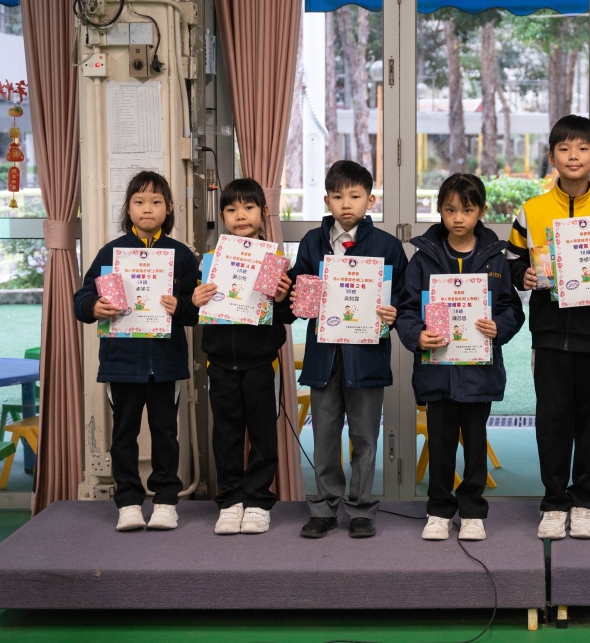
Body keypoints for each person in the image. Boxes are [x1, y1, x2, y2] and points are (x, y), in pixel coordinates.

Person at [505, 114, 590, 541]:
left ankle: (584, 503)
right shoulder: (532, 210)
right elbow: (512, 262)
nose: (573, 156)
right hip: (549, 333)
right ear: (552, 157)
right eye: (564, 148)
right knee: (552, 419)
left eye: (582, 148)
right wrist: (523, 275)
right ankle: (554, 501)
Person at [398, 174, 525, 542]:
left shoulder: (495, 258)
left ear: (481, 212)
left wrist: (499, 327)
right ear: (440, 210)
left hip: (479, 371)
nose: (457, 218)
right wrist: (417, 335)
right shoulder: (423, 259)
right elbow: (407, 309)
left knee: (475, 443)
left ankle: (472, 511)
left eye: (466, 210)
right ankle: (438, 510)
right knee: (439, 444)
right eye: (450, 209)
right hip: (437, 370)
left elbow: (511, 309)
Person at [73, 171, 200, 532]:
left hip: (166, 364)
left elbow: (195, 310)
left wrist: (182, 306)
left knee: (166, 434)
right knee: (124, 434)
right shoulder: (112, 253)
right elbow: (82, 298)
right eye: (139, 202)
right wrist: (94, 306)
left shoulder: (181, 255)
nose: (148, 209)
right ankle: (128, 501)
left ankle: (165, 501)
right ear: (128, 208)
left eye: (156, 202)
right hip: (122, 363)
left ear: (169, 207)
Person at [291, 161, 406, 540]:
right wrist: (300, 297)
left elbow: (404, 299)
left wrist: (393, 312)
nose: (346, 204)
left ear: (370, 200)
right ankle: (324, 507)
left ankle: (360, 508)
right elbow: (300, 295)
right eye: (338, 196)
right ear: (327, 200)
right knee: (324, 435)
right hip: (324, 356)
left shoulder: (387, 246)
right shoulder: (312, 242)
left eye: (355, 196)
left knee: (365, 438)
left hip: (366, 358)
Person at [185, 179, 294, 536]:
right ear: (222, 217)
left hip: (262, 363)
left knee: (263, 436)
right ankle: (230, 502)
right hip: (220, 363)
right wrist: (195, 300)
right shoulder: (211, 261)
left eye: (248, 207)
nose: (240, 215)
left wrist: (281, 300)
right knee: (226, 435)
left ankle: (259, 502)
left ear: (264, 212)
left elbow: (289, 316)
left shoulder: (274, 262)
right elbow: (194, 311)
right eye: (231, 209)